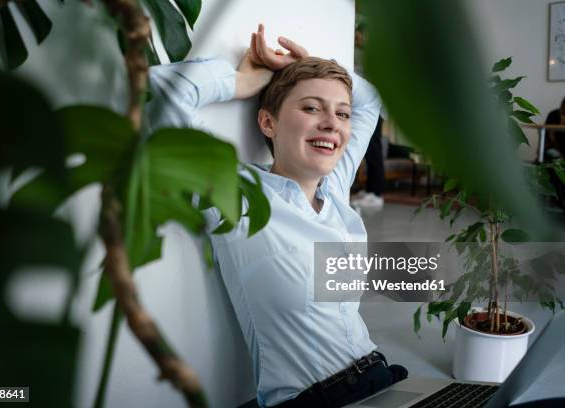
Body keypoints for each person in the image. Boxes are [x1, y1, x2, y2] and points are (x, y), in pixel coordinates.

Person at [145, 24, 407, 408]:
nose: (333, 123)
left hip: (382, 377)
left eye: (341, 113)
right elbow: (165, 92)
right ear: (268, 122)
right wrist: (244, 80)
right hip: (319, 399)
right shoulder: (236, 195)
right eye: (311, 107)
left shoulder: (333, 189)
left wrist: (307, 64)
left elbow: (371, 102)